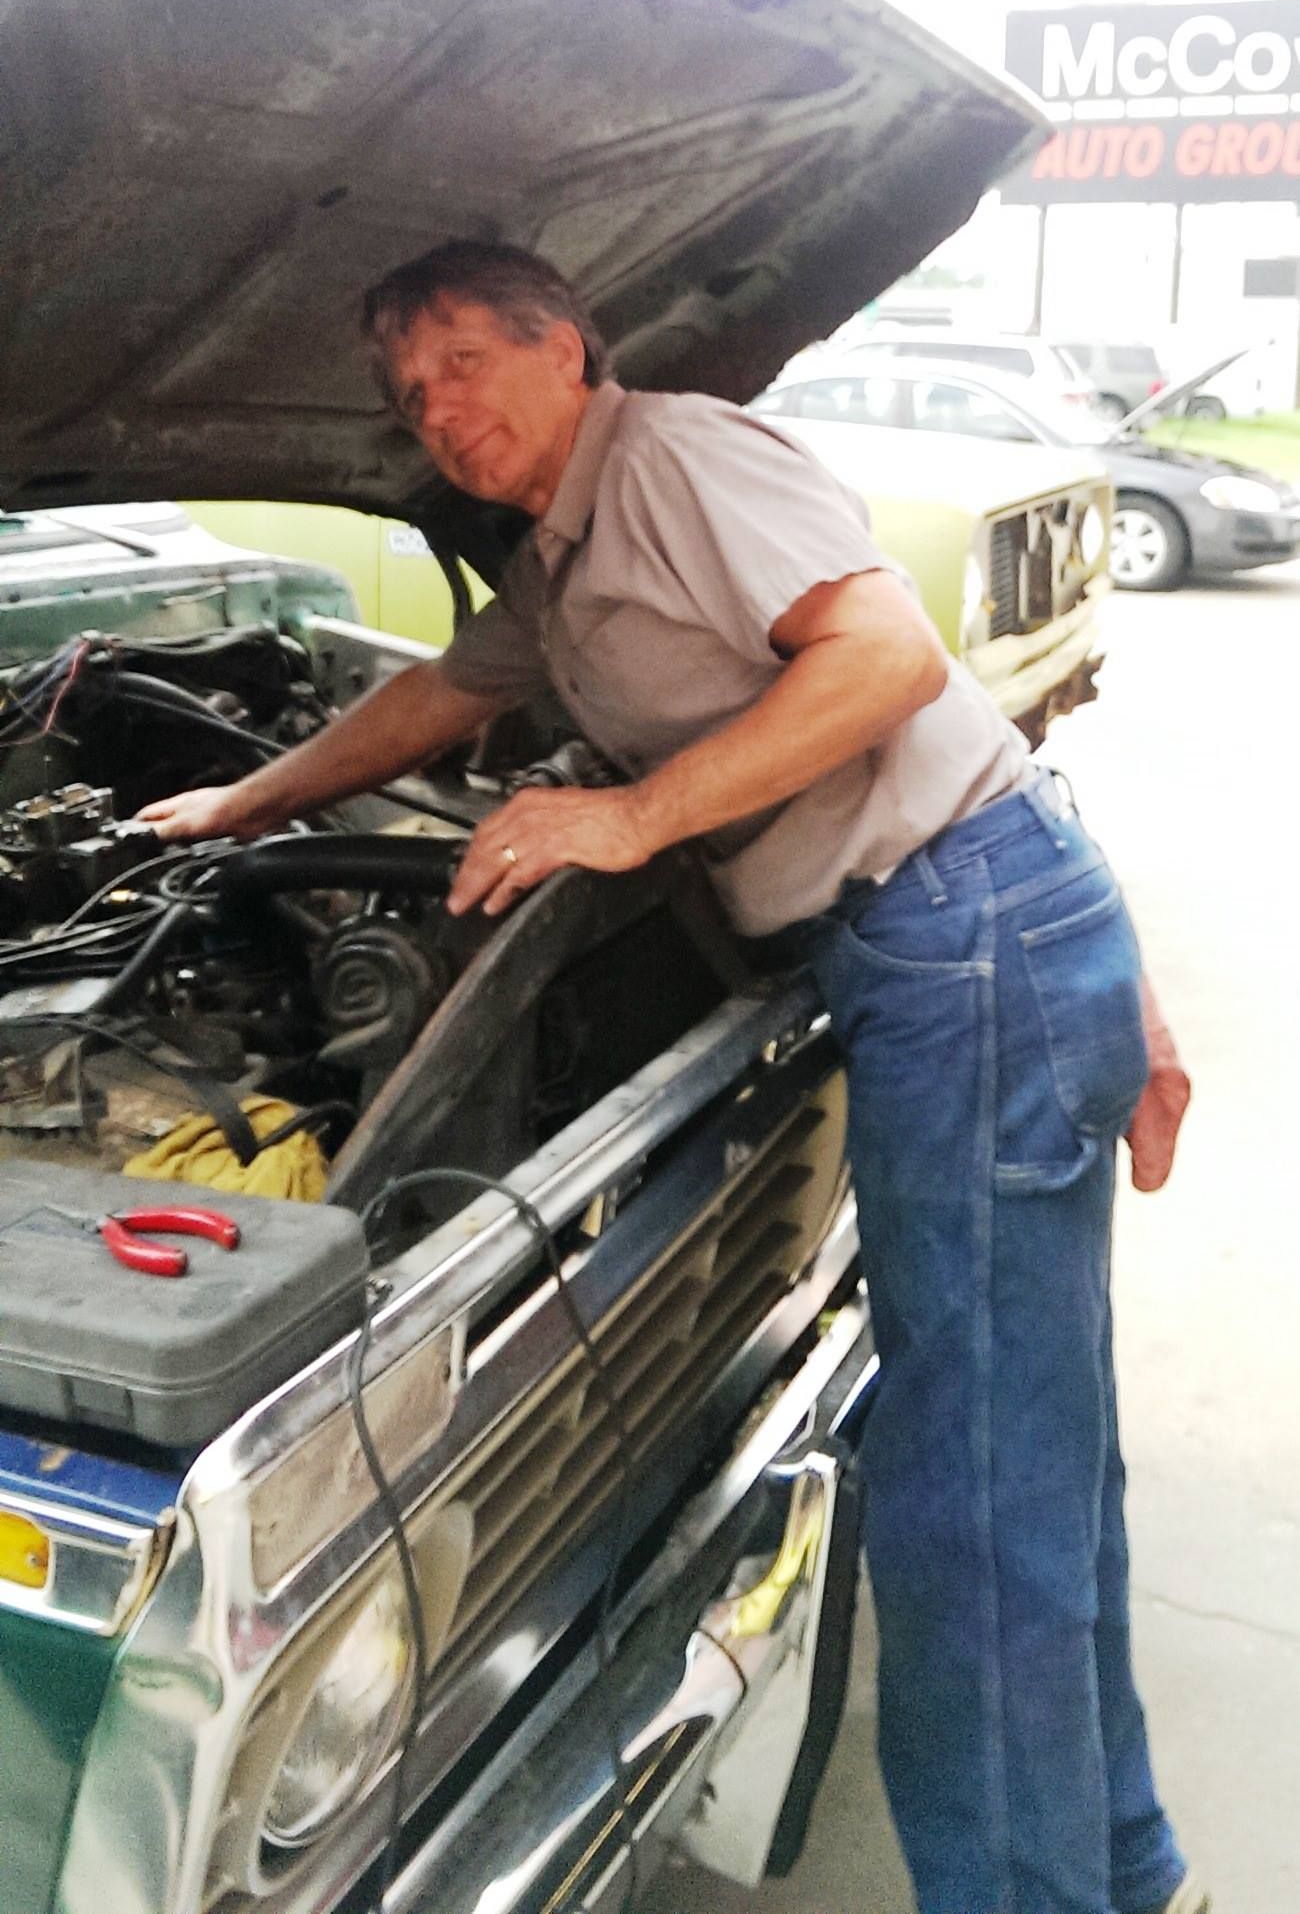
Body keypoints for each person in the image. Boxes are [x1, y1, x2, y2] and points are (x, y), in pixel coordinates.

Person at [140, 242, 1200, 1914]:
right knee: (1034, 1452)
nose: (437, 412)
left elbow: (889, 657)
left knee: (973, 1497)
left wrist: (632, 815)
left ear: (567, 348)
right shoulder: (561, 559)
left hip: (961, 940)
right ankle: (1129, 1872)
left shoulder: (674, 458)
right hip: (965, 933)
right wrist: (240, 805)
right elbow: (440, 692)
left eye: (465, 364)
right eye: (410, 393)